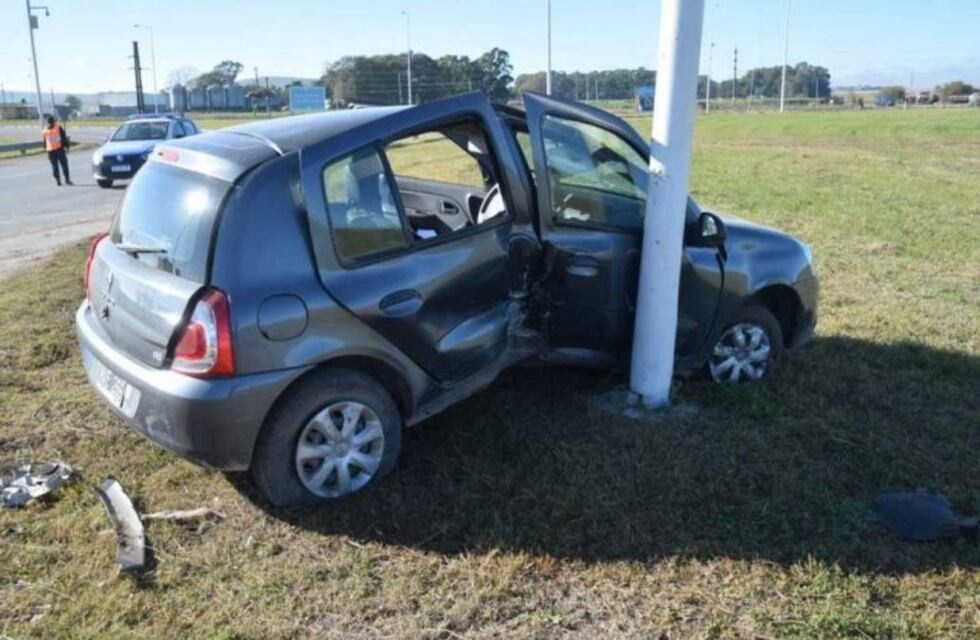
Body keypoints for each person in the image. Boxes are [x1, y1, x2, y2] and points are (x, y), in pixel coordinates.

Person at [42, 115, 72, 186]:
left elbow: (44, 142)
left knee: (54, 167)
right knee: (64, 165)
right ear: (54, 121)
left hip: (50, 151)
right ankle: (67, 180)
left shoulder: (45, 131)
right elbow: (63, 138)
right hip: (59, 149)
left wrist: (45, 148)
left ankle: (58, 181)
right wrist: (67, 146)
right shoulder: (58, 127)